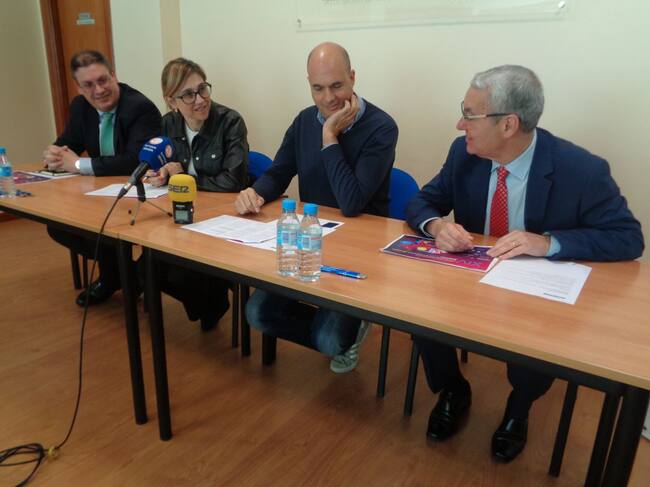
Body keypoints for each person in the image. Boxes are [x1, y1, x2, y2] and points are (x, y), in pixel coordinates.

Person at [406, 65, 644, 463]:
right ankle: (452, 389)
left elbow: (628, 237)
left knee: (537, 346)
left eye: (470, 114)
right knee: (421, 314)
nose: (460, 124)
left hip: (534, 293)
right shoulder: (463, 154)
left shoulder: (581, 169)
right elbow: (421, 201)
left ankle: (519, 409)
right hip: (471, 280)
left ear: (508, 125)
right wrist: (437, 226)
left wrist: (548, 242)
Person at [235, 42, 398, 372]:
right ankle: (338, 326)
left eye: (337, 85)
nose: (328, 98)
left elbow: (351, 203)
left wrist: (329, 137)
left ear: (353, 78)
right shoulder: (303, 121)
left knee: (329, 340)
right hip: (311, 239)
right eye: (318, 88)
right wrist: (254, 192)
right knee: (256, 313)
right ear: (309, 84)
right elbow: (279, 172)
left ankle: (348, 325)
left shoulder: (381, 127)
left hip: (359, 247)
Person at [43, 50, 161, 307]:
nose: (98, 90)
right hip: (100, 194)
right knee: (58, 225)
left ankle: (116, 277)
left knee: (100, 227)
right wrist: (54, 154)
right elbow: (68, 143)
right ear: (79, 87)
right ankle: (124, 275)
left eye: (103, 80)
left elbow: (134, 160)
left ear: (114, 75)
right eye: (88, 84)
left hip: (139, 195)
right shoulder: (80, 106)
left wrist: (77, 164)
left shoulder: (139, 107)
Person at [145, 57, 249, 330]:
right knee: (146, 267)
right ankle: (209, 302)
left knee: (180, 275)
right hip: (183, 216)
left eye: (202, 89)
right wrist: (161, 174)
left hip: (221, 221)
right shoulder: (168, 124)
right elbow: (164, 166)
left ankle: (212, 301)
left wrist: (183, 176)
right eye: (188, 95)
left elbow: (233, 181)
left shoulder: (230, 121)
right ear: (171, 101)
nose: (200, 99)